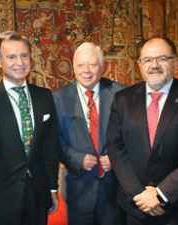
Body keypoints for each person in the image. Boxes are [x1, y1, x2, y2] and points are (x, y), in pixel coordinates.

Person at [106, 37, 178, 225]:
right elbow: (116, 149)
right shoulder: (122, 100)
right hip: (136, 208)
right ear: (139, 65)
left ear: (175, 62)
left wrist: (161, 194)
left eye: (162, 58)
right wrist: (140, 196)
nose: (155, 65)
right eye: (148, 60)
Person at [0, 30, 59, 225]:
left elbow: (50, 147)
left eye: (24, 55)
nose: (19, 63)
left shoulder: (44, 96)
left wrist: (52, 189)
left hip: (38, 195)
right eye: (11, 57)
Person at [53, 42, 127, 225]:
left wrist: (116, 158)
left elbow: (133, 137)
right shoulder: (58, 98)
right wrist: (77, 158)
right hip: (77, 190)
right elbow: (54, 140)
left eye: (92, 64)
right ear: (73, 68)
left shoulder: (122, 94)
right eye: (80, 65)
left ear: (102, 67)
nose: (86, 70)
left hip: (113, 189)